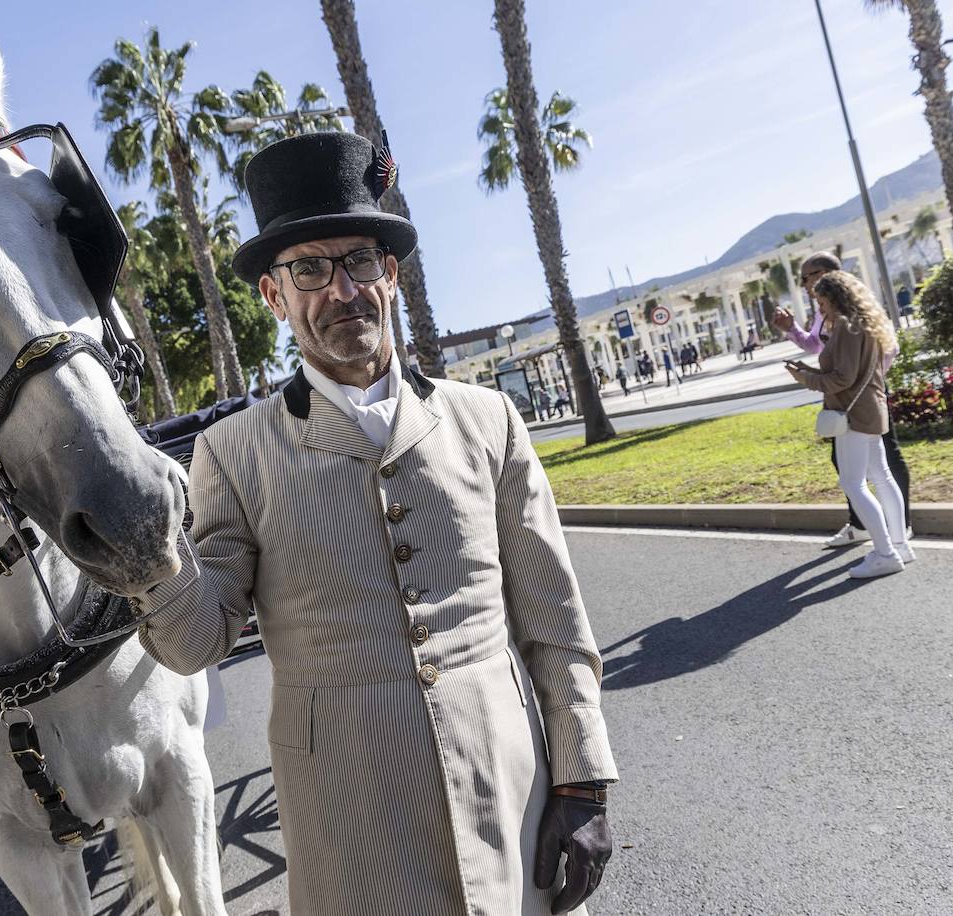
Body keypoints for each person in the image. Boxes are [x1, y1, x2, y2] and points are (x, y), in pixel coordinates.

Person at [135, 132, 617, 915]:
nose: (341, 290)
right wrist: (148, 555)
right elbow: (196, 640)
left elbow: (553, 619)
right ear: (274, 296)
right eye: (310, 271)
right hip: (347, 813)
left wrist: (583, 779)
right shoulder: (230, 453)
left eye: (359, 262)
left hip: (508, 782)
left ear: (389, 275)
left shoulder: (486, 419)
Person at [773, 252, 912, 548]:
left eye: (808, 278)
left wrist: (809, 378)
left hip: (855, 402)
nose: (806, 287)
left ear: (826, 276)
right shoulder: (852, 314)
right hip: (864, 398)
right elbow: (822, 348)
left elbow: (850, 372)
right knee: (878, 472)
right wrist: (793, 333)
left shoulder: (847, 323)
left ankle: (887, 549)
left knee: (859, 479)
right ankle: (894, 541)